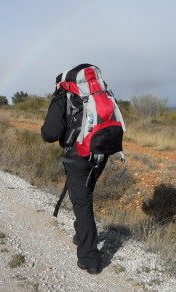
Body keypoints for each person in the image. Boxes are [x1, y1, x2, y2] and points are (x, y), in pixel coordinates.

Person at [41, 72, 108, 275]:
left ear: (60, 83)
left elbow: (49, 134)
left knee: (82, 203)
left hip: (78, 157)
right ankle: (82, 235)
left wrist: (57, 100)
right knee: (84, 197)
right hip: (101, 153)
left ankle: (90, 259)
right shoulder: (98, 93)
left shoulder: (63, 95)